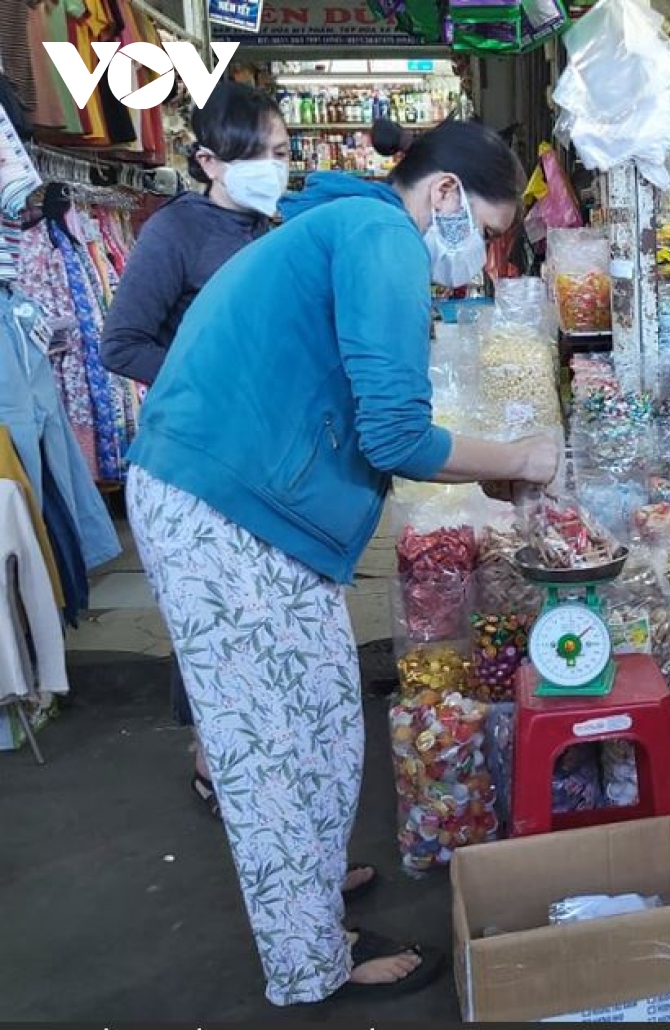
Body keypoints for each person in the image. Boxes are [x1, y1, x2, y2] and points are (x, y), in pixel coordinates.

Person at [124, 118, 559, 1005]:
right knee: (279, 747)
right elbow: (393, 431)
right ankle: (308, 964)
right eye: (479, 230)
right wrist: (519, 458)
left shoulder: (348, 225)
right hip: (223, 506)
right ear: (442, 194)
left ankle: (309, 886)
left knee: (320, 721)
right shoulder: (378, 236)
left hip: (245, 501)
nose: (475, 255)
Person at [101, 82, 289, 818]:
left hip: (256, 455)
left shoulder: (264, 230)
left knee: (256, 612)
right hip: (194, 458)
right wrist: (208, 379)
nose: (272, 167)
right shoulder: (175, 231)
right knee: (209, 614)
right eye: (254, 155)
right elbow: (122, 343)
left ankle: (252, 753)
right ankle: (213, 760)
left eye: (280, 152)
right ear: (209, 160)